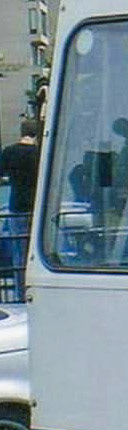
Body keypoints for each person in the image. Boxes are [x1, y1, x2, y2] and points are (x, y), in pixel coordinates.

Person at [0, 118, 40, 299]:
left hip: (17, 205)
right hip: (37, 207)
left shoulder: (9, 152)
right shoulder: (39, 153)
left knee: (19, 251)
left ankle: (19, 293)